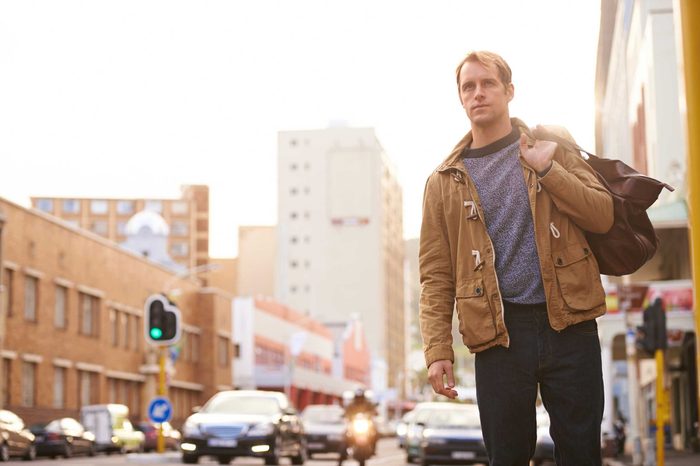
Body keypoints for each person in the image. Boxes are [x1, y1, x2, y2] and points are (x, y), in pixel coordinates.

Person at [419, 50, 614, 466]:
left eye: (488, 83)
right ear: (460, 97)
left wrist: (548, 170)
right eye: (468, 86)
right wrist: (438, 349)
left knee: (581, 454)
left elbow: (601, 214)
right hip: (497, 335)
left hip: (570, 322)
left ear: (509, 91)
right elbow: (435, 275)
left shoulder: (551, 146)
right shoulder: (442, 182)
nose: (478, 93)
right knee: (506, 458)